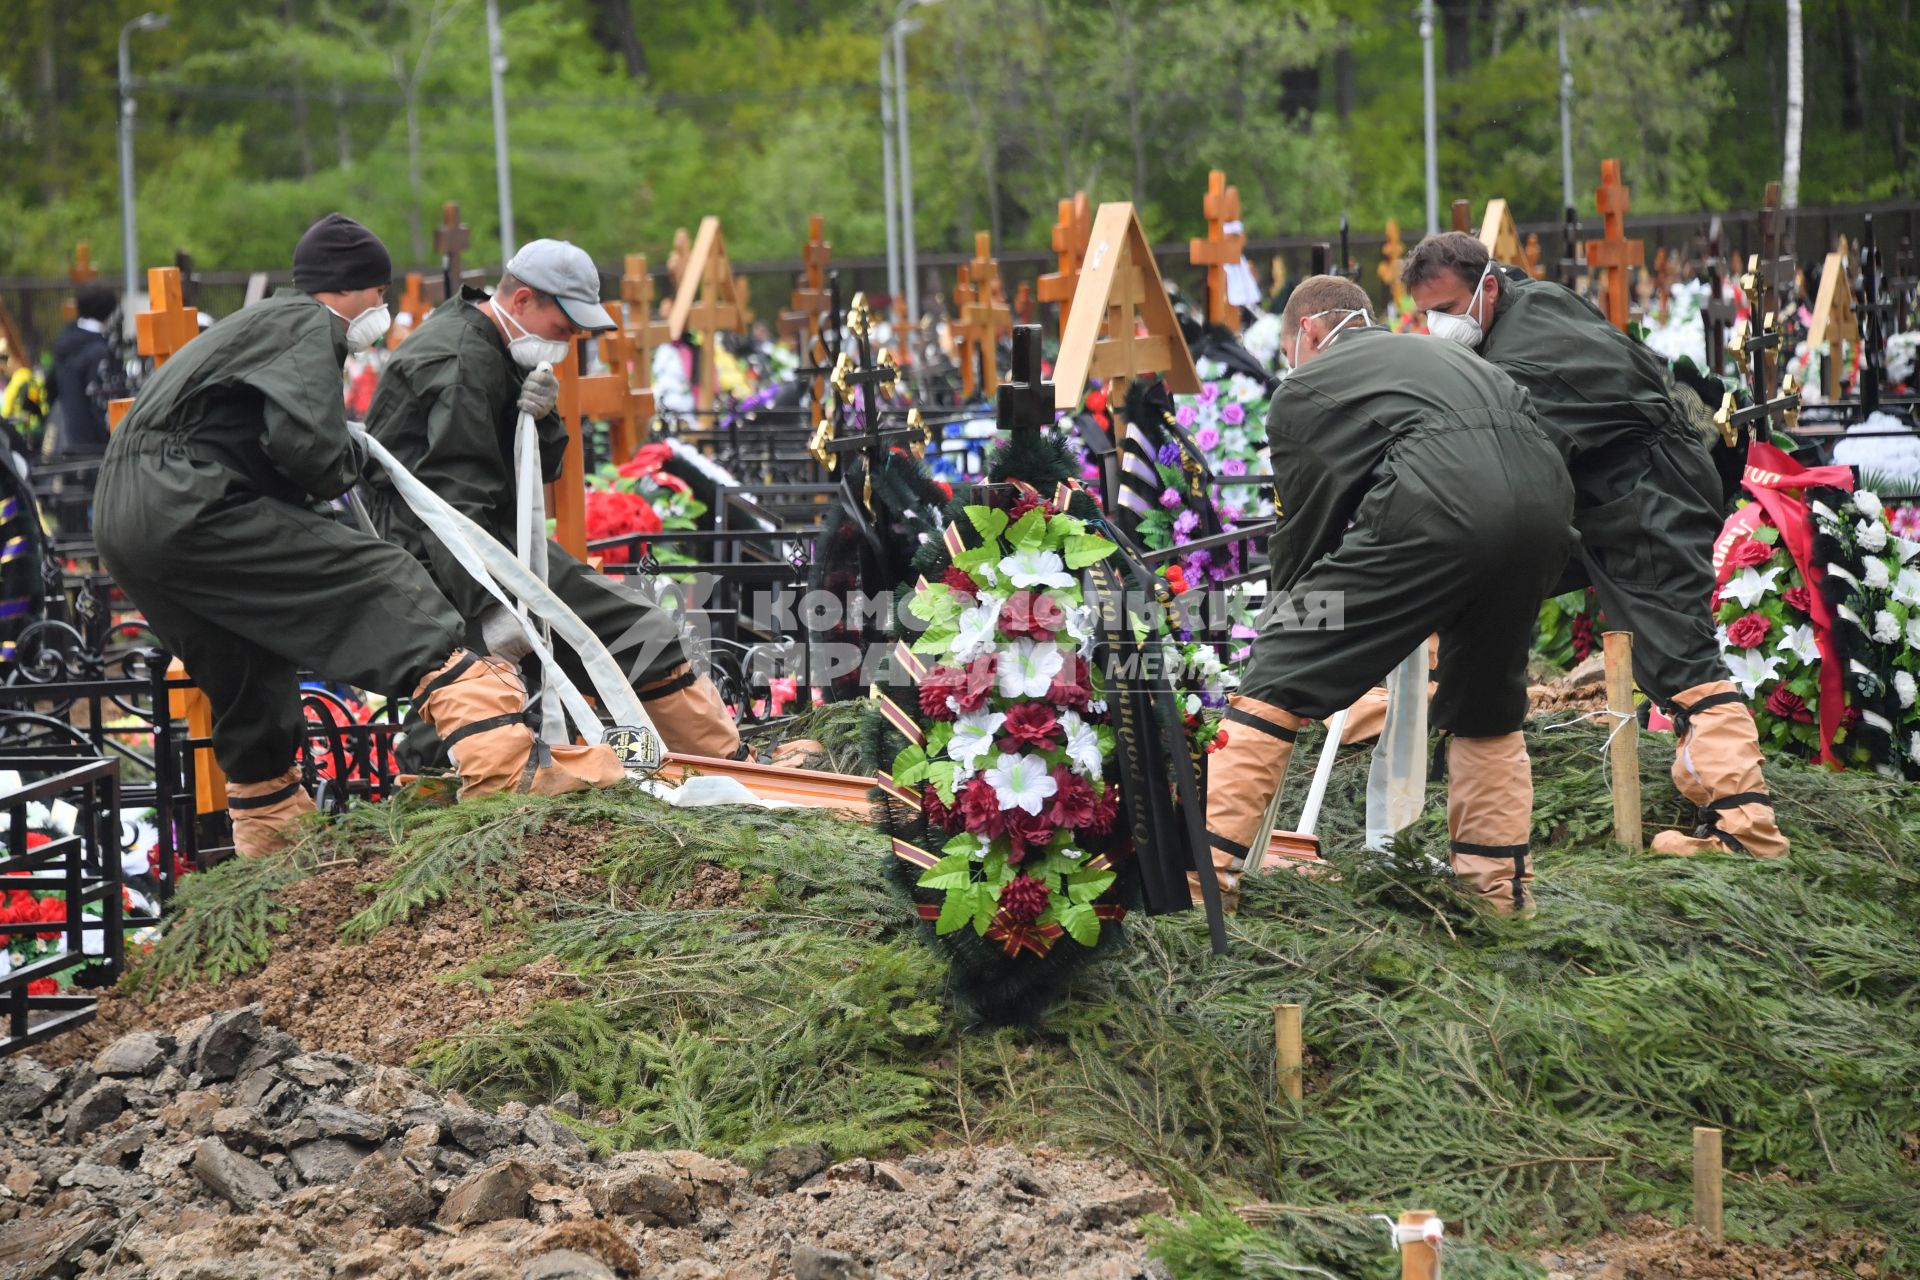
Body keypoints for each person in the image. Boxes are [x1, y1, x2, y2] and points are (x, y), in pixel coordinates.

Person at [95, 213, 620, 858]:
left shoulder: (254, 326)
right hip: (191, 502)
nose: (384, 306)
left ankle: (272, 844)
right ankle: (507, 767)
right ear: (349, 288)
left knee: (249, 665)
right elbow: (310, 446)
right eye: (380, 292)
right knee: (386, 578)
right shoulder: (305, 324)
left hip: (128, 518)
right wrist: (351, 464)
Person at [1403, 232, 1786, 860]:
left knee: (1677, 657)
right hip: (1610, 500)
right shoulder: (1526, 304)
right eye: (1427, 314)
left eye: (1445, 310)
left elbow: (1505, 454)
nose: (1437, 326)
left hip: (1650, 503)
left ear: (1487, 287)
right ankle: (1438, 742)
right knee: (1472, 585)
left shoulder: (1529, 355)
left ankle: (1748, 831)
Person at [1202, 275, 1575, 915]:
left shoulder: (1306, 388)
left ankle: (1199, 881)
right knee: (1488, 695)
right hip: (1545, 507)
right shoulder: (1452, 356)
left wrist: (1286, 629)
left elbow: (1306, 527)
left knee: (1285, 659)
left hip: (1445, 507)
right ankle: (1499, 895)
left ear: (1309, 334)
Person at [363, 239, 738, 760]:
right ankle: (721, 766)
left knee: (501, 668)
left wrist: (545, 419)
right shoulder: (461, 360)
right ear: (521, 301)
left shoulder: (495, 340)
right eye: (564, 328)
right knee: (497, 666)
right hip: (444, 549)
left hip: (483, 536)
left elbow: (539, 466)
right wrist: (491, 604)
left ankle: (685, 764)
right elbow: (453, 501)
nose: (569, 342)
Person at [45, 284, 119, 459]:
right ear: (110, 312)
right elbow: (101, 402)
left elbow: (50, 386)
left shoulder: (65, 343)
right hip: (95, 445)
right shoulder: (100, 351)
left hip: (70, 435)